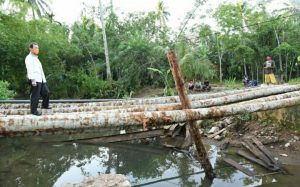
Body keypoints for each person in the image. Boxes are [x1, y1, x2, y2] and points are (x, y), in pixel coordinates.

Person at [25, 42, 51, 116]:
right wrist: (32, 80)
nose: (37, 49)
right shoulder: (28, 58)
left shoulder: (36, 59)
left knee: (46, 92)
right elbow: (29, 69)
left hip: (41, 79)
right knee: (35, 96)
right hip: (35, 79)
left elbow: (40, 70)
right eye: (36, 48)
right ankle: (34, 111)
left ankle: (44, 105)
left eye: (38, 48)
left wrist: (44, 80)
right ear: (31, 49)